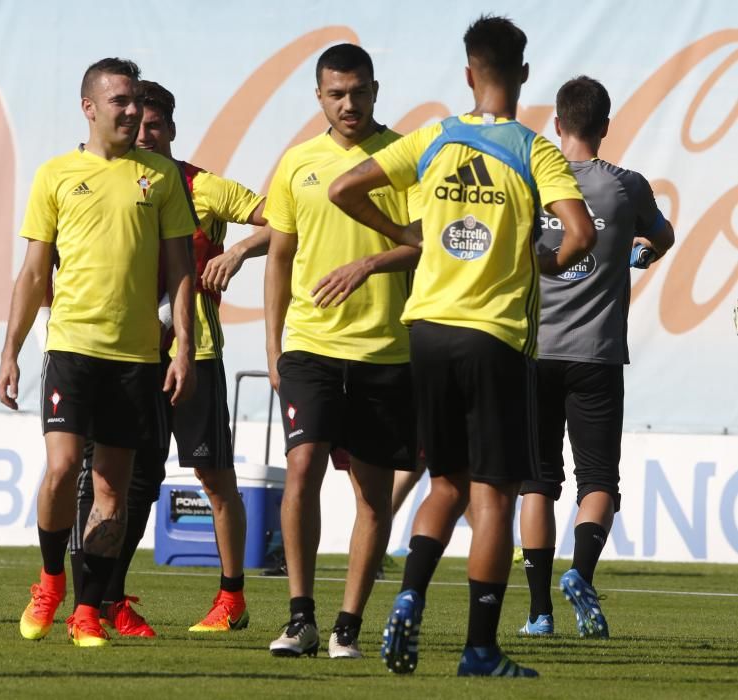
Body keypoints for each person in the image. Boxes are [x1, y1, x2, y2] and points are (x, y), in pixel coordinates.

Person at [329, 15, 596, 677]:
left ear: (469, 73)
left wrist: (399, 230)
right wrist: (549, 262)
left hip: (425, 331)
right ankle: (478, 648)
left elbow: (343, 187)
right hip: (493, 336)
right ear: (523, 75)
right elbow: (581, 234)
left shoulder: (432, 138)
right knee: (493, 495)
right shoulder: (534, 150)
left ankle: (410, 595)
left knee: (441, 481)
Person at [0, 58, 198, 647]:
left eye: (136, 101)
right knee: (62, 470)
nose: (132, 111)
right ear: (89, 108)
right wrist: (9, 350)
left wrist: (182, 348)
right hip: (72, 348)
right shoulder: (56, 175)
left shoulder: (159, 178)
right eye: (120, 102)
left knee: (112, 489)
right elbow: (34, 274)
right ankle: (50, 580)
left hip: (136, 359)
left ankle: (87, 609)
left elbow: (182, 272)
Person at [69, 79, 270, 635]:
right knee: (127, 482)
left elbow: (286, 220)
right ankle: (105, 598)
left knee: (213, 474)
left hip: (195, 353)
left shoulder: (200, 186)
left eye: (155, 125)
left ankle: (232, 598)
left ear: (172, 129)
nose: (143, 132)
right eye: (136, 122)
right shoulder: (109, 181)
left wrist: (238, 250)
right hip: (128, 355)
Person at [264, 43, 421, 659]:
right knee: (301, 466)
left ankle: (347, 626)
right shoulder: (298, 163)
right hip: (311, 345)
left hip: (387, 349)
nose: (348, 103)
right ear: (319, 96)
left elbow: (427, 243)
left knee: (372, 495)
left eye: (358, 92)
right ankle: (300, 617)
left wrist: (371, 264)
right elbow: (279, 258)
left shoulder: (406, 158)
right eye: (336, 93)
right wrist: (273, 347)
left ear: (375, 90)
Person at [517, 76, 675, 639]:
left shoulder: (532, 184)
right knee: (598, 480)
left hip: (533, 354)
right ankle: (580, 575)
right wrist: (644, 247)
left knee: (535, 482)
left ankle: (538, 614)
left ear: (557, 125)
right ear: (605, 127)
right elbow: (666, 234)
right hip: (597, 357)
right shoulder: (626, 188)